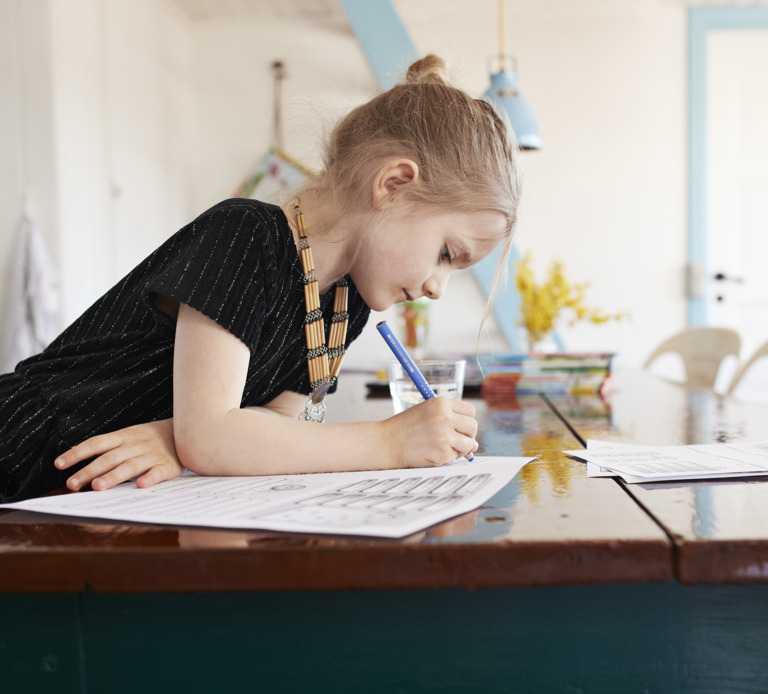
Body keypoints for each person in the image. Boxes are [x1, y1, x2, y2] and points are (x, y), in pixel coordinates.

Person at [0, 54, 521, 504]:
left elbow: (274, 421)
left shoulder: (346, 303)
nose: (436, 287)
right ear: (394, 184)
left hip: (101, 491)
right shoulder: (246, 236)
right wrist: (389, 443)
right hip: (25, 452)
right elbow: (212, 437)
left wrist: (173, 434)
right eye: (447, 254)